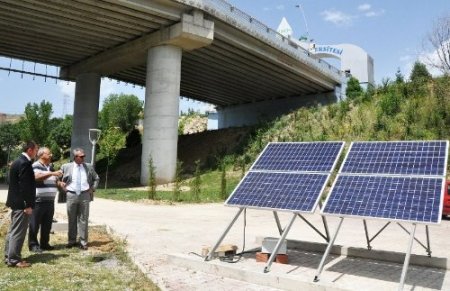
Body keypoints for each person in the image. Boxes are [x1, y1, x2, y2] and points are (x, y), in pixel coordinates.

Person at [4, 141, 38, 268]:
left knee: (13, 231)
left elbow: (10, 181)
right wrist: (27, 205)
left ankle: (9, 256)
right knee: (18, 232)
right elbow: (24, 186)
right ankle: (14, 259)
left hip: (16, 203)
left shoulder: (17, 161)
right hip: (21, 204)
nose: (37, 152)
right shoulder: (24, 163)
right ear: (30, 150)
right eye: (36, 149)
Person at [60, 148, 99, 250]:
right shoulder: (66, 166)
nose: (83, 158)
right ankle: (71, 241)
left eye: (84, 156)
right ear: (75, 157)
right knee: (71, 218)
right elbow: (58, 178)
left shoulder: (88, 167)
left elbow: (96, 178)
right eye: (81, 156)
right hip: (71, 195)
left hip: (85, 195)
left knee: (83, 219)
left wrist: (92, 189)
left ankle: (83, 242)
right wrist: (62, 186)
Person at [28, 147, 62, 253]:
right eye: (49, 153)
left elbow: (54, 180)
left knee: (47, 224)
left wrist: (60, 183)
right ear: (41, 155)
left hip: (50, 201)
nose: (51, 155)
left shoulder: (49, 167)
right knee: (35, 224)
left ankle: (45, 243)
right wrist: (52, 173)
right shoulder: (36, 165)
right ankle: (33, 245)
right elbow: (37, 177)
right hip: (38, 201)